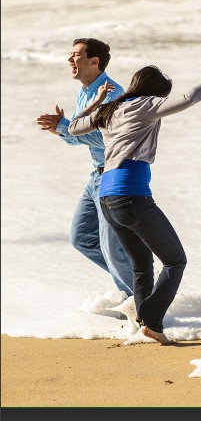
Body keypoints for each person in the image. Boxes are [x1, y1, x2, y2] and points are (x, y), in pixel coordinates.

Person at [68, 59, 201, 345]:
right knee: (175, 261)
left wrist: (97, 101)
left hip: (107, 197)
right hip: (131, 195)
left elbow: (75, 127)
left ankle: (142, 320)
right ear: (154, 92)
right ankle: (151, 321)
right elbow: (189, 98)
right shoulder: (146, 105)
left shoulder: (109, 110)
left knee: (141, 263)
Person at [36, 38, 134, 297]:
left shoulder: (112, 94)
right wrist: (63, 130)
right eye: (70, 54)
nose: (70, 59)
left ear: (94, 61)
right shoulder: (85, 92)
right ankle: (139, 286)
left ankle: (142, 303)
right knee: (82, 239)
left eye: (76, 54)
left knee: (113, 248)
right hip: (96, 176)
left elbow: (105, 137)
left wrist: (65, 128)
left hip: (114, 175)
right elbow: (77, 135)